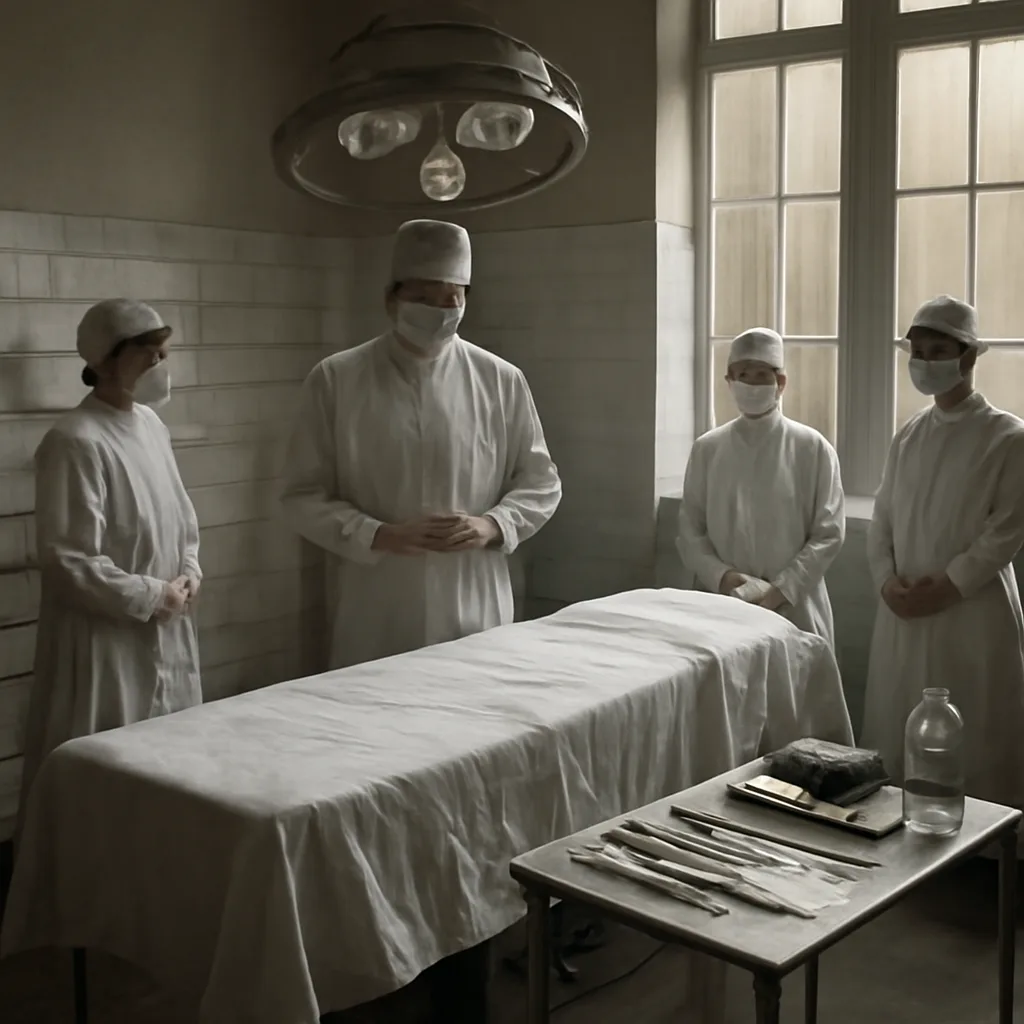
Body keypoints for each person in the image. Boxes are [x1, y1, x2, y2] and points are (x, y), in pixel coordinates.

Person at [280, 219, 561, 668]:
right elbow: (300, 495)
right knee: (378, 720)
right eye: (423, 297)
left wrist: (493, 524)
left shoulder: (499, 380)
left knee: (475, 723)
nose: (439, 309)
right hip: (380, 601)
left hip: (474, 595)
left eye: (451, 297)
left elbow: (541, 482)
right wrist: (377, 534)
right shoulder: (338, 378)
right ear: (391, 298)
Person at [18, 299, 202, 824]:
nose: (160, 369)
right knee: (106, 778)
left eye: (164, 355)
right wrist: (151, 595)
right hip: (104, 643)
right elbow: (67, 559)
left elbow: (182, 519)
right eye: (148, 356)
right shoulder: (76, 441)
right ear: (104, 361)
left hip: (168, 626)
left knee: (170, 770)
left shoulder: (151, 427)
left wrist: (189, 572)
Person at [862, 295, 1024, 812]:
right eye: (918, 352)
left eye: (939, 351)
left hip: (970, 614)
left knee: (977, 728)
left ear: (970, 357)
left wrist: (951, 584)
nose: (925, 363)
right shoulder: (909, 433)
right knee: (898, 719)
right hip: (904, 608)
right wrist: (887, 580)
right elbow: (882, 516)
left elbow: (1008, 529)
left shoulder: (1006, 436)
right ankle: (897, 829)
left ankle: (987, 847)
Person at [677, 327, 845, 645]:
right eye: (743, 375)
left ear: (780, 382)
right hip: (722, 606)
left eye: (761, 375)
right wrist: (723, 577)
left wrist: (779, 591)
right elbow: (690, 531)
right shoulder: (708, 449)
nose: (751, 385)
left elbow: (828, 533)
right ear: (728, 380)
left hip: (795, 609)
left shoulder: (812, 448)